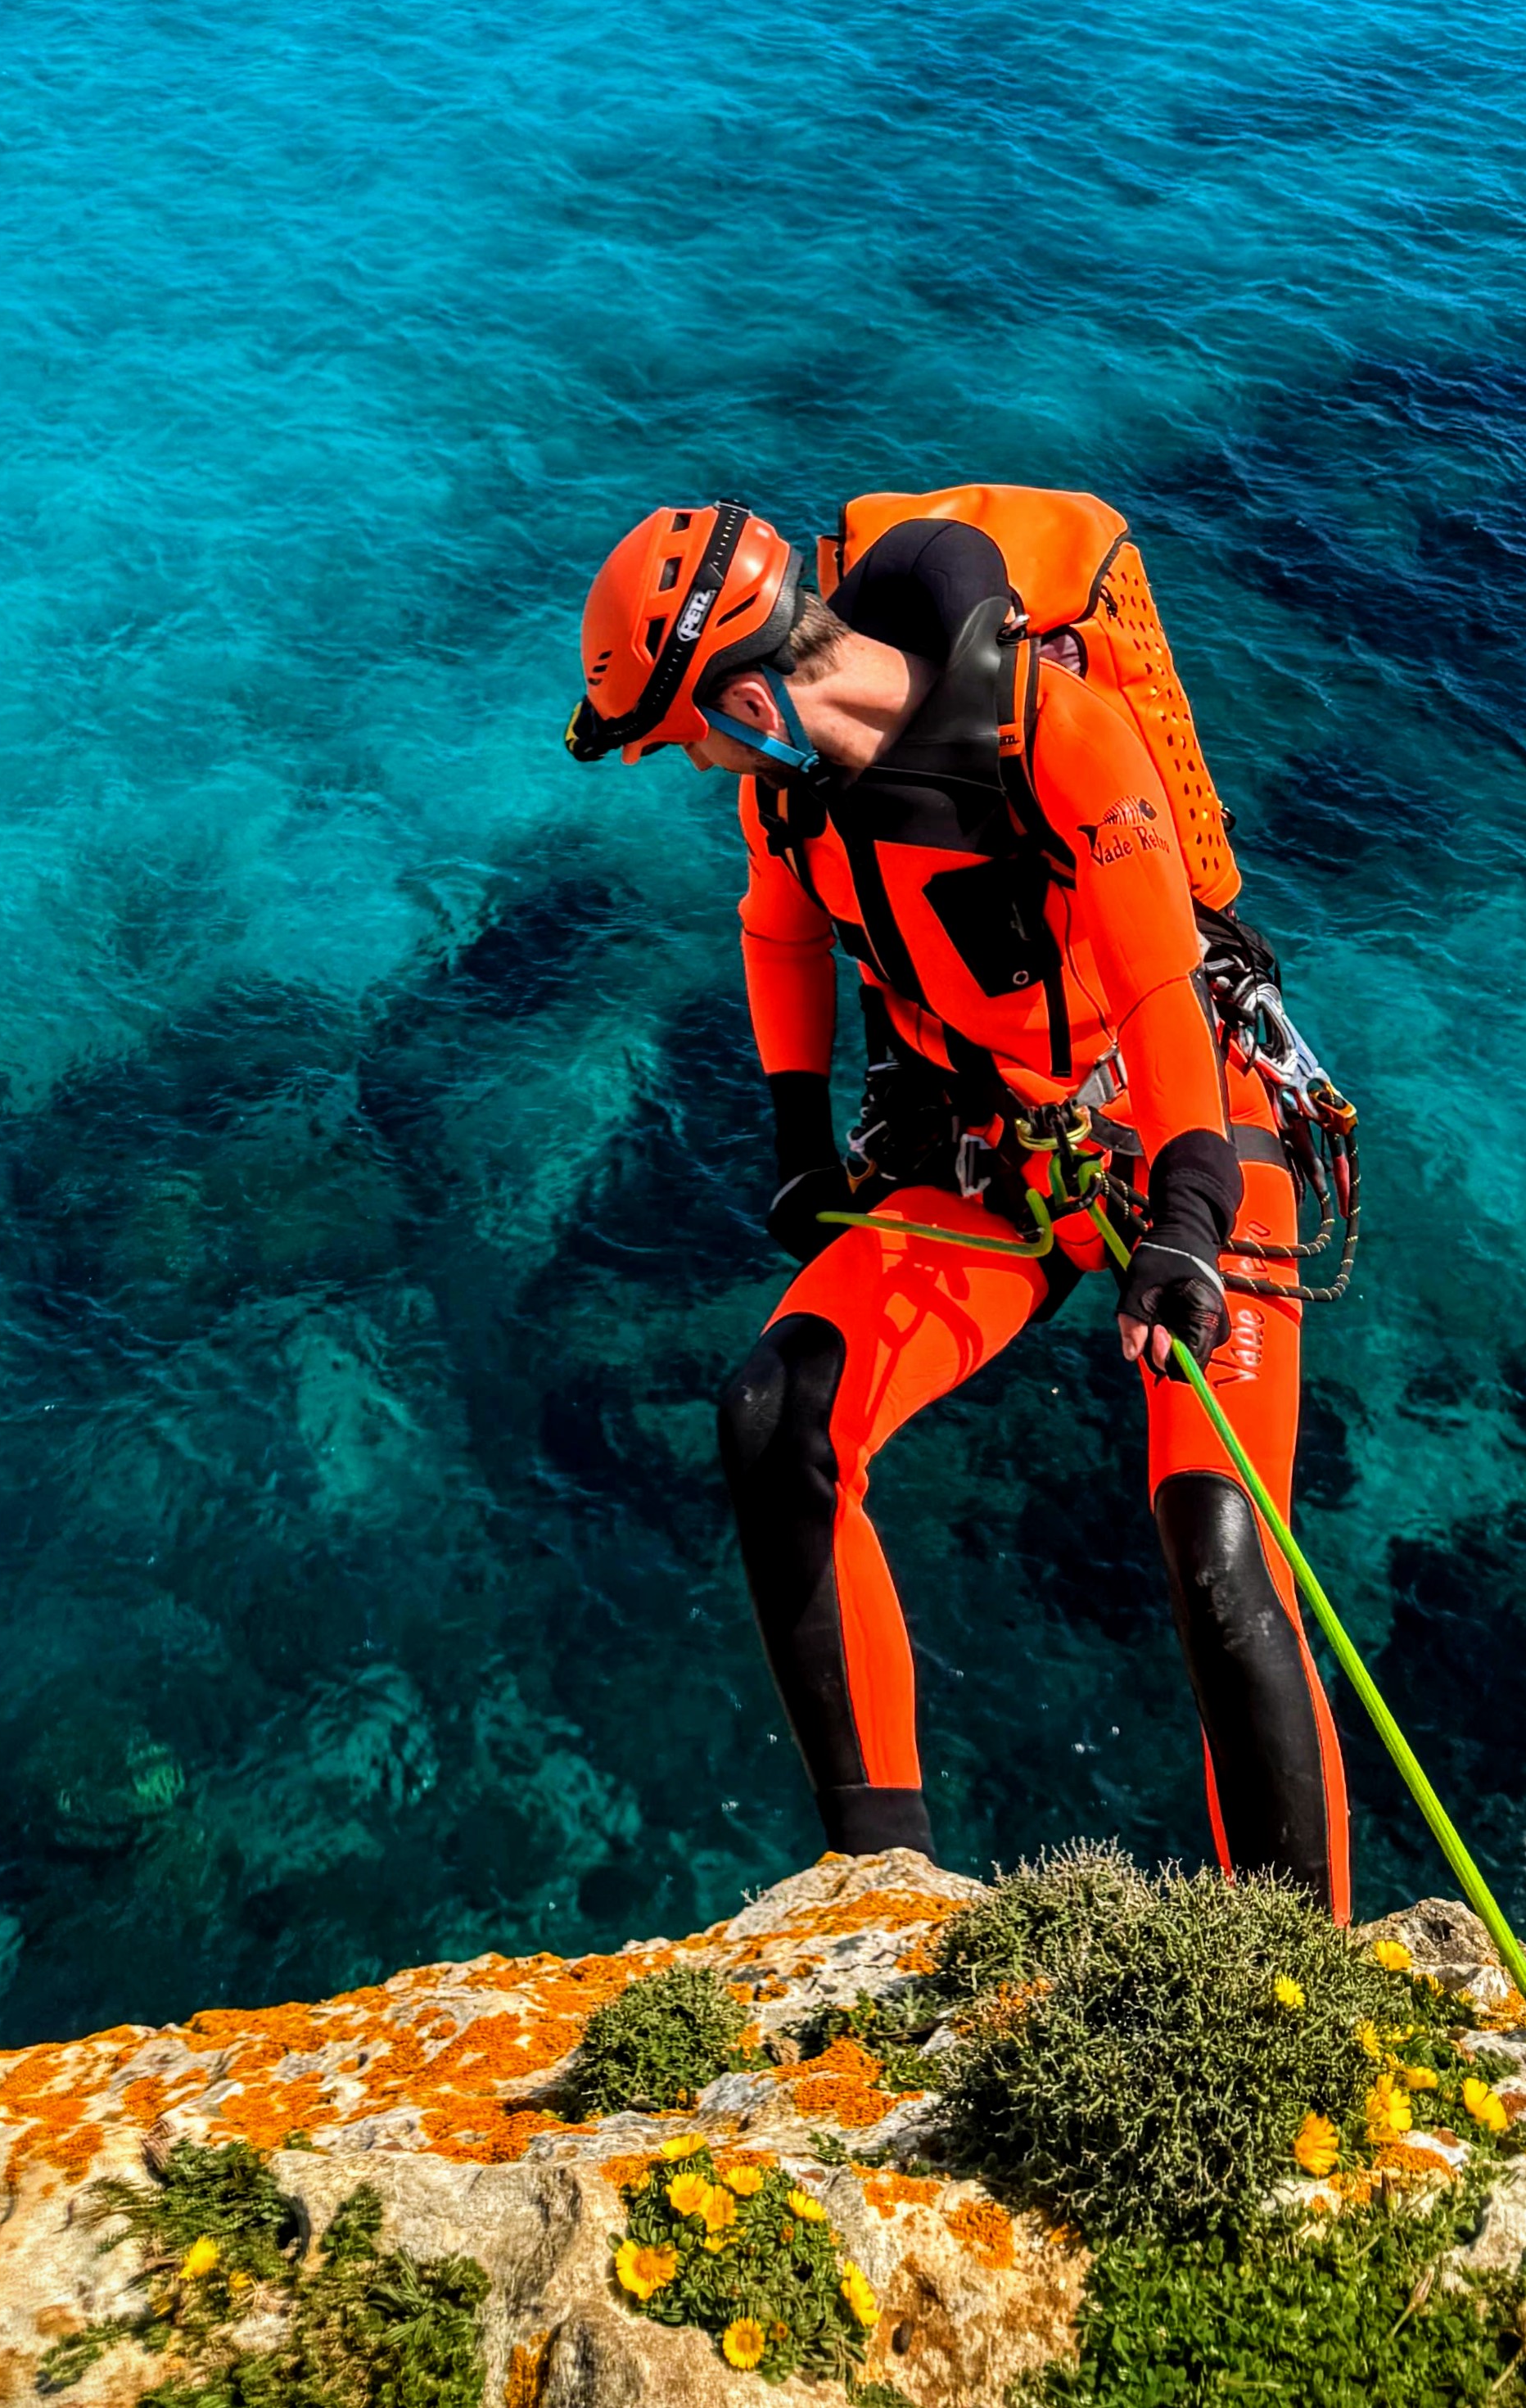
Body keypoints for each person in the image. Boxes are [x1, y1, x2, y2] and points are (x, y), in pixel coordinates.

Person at [568, 495, 1350, 1909]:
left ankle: (1303, 1986)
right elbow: (780, 934)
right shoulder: (785, 786)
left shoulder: (1054, 736)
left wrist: (1183, 1219)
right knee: (776, 1416)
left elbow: (1166, 986)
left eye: (685, 731)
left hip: (1193, 1132)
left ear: (748, 696)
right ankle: (878, 1900)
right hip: (1005, 1148)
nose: (689, 759)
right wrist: (803, 1140)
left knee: (1218, 1536)